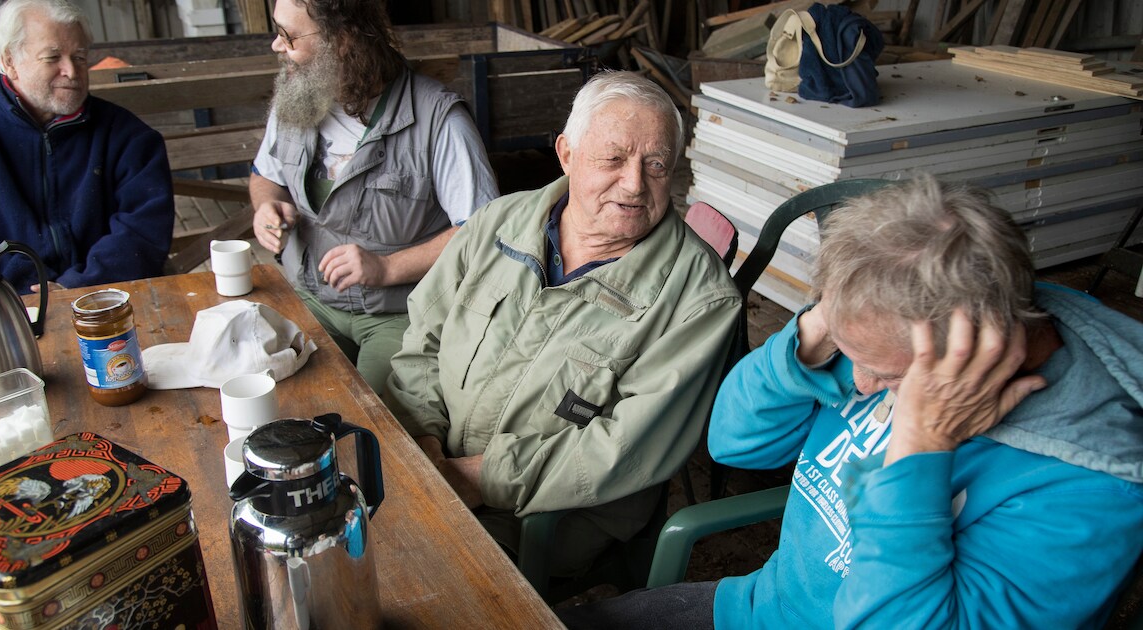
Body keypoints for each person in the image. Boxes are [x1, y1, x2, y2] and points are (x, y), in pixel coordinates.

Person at [560, 173, 1143, 628]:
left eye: (883, 373)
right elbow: (734, 441)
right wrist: (811, 340)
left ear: (972, 351)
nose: (858, 384)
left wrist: (920, 450)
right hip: (760, 608)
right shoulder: (893, 327)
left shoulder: (1090, 488)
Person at [383, 71, 743, 577]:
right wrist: (425, 442)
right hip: (436, 459)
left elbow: (623, 449)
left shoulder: (700, 301)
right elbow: (424, 340)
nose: (635, 183)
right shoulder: (496, 224)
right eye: (613, 159)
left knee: (415, 578)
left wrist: (478, 478)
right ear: (567, 154)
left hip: (552, 516)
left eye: (656, 165)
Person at [250, 0, 499, 395]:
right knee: (278, 395)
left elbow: (482, 232)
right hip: (311, 298)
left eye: (289, 36)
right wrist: (267, 204)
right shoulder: (298, 97)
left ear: (343, 42)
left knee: (371, 415)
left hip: (400, 314)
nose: (276, 46)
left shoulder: (439, 119)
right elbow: (265, 176)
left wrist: (387, 269)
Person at [0, 0, 174, 294]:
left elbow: (142, 231)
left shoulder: (129, 136)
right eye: (52, 57)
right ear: (9, 60)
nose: (71, 71)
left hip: (106, 302)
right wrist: (31, 284)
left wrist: (76, 288)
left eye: (79, 57)